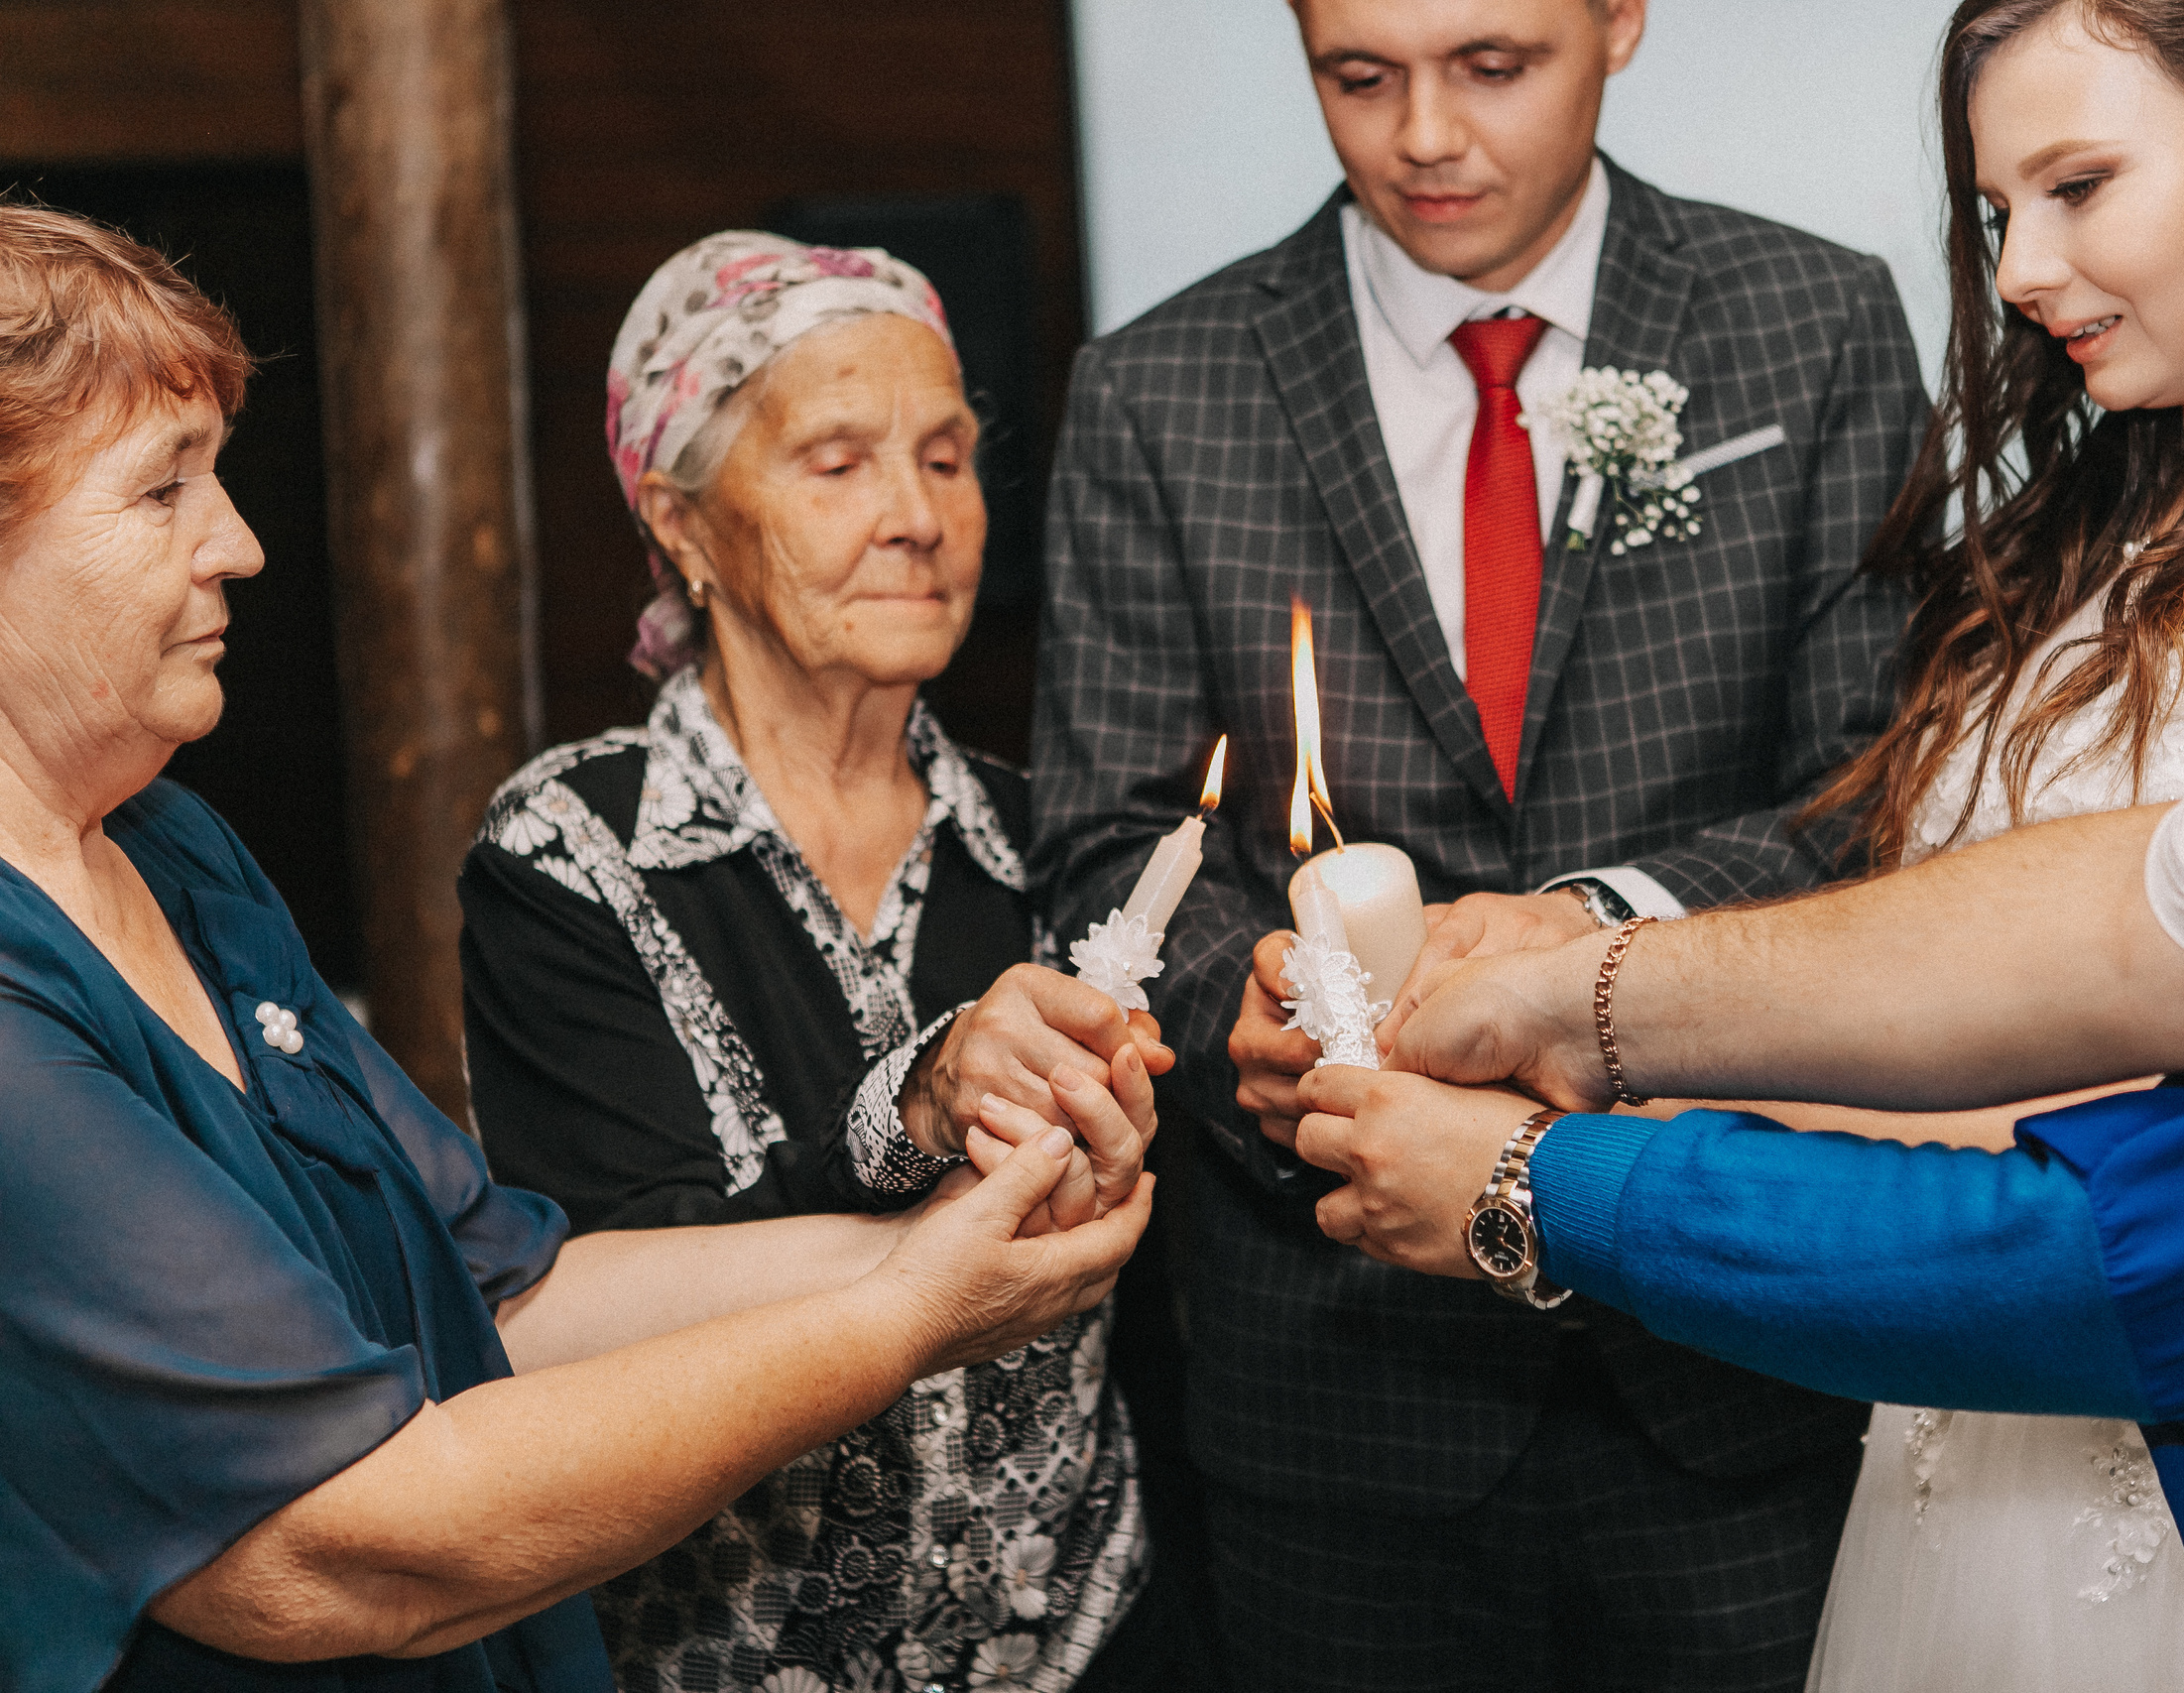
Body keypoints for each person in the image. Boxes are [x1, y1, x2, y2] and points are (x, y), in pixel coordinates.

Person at [1278, 1, 2184, 1685]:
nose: (2022, 269)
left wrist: (1539, 1165)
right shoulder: (2083, 553)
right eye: (2001, 210)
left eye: (2084, 183)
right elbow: (2095, 935)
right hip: (1948, 1441)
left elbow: (2159, 1153)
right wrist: (1581, 1006)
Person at [0, 203, 1146, 1693]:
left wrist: (946, 1243)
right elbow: (346, 1545)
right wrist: (907, 1314)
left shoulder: (172, 846)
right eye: (165, 494)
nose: (241, 544)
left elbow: (507, 1298)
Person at [1028, 0, 1928, 1681]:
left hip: (1722, 1360)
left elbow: (1873, 784)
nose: (1422, 134)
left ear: (1618, 22)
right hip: (1342, 1395)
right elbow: (1103, 842)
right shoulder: (1160, 387)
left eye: (1491, 66)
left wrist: (1577, 938)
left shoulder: (1812, 325)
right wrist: (1250, 1004)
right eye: (1356, 78)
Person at [460, 233, 1178, 1693]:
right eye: (838, 463)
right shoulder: (574, 850)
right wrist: (916, 1115)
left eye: (946, 456)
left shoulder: (1047, 833)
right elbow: (605, 1288)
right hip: (727, 1649)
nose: (918, 516)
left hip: (1082, 1647)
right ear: (684, 521)